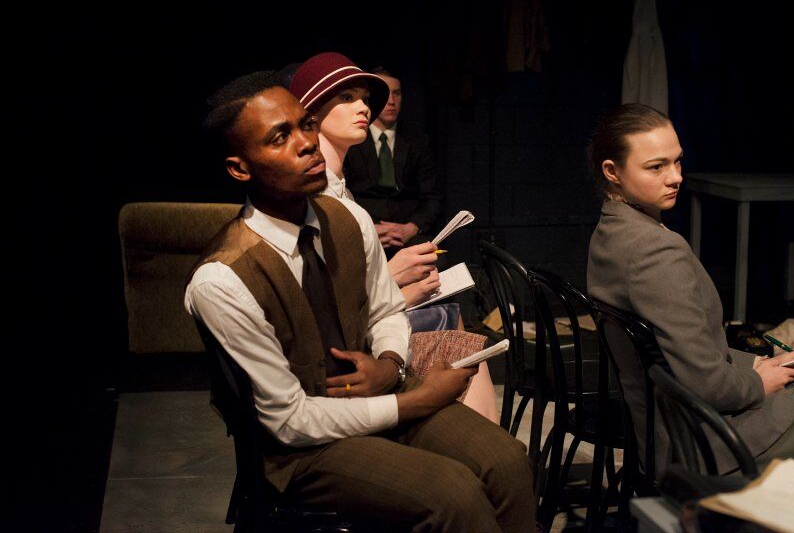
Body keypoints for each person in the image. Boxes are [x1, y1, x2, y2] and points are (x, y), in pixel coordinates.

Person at [185, 71, 535, 531]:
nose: (306, 143)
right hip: (302, 450)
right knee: (454, 494)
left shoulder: (348, 217)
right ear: (240, 168)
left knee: (507, 460)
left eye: (306, 125)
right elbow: (289, 419)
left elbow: (386, 309)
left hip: (380, 391)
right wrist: (415, 401)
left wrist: (390, 363)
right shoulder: (223, 281)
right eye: (280, 137)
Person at [586, 103, 794, 476]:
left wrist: (758, 362)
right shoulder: (653, 251)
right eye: (657, 167)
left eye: (678, 161)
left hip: (671, 427)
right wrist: (759, 381)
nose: (676, 177)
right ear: (612, 171)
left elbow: (683, 351)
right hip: (706, 442)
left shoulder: (612, 229)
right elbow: (707, 384)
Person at [282, 52, 499, 423]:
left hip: (376, 328)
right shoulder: (317, 199)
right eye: (347, 97)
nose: (363, 107)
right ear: (311, 113)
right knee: (455, 338)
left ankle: (481, 441)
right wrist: (394, 280)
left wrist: (397, 278)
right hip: (349, 355)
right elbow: (326, 306)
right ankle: (478, 442)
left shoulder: (340, 190)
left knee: (451, 319)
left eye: (365, 99)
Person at [341, 65, 443, 256]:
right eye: (386, 94)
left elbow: (432, 196)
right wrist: (367, 228)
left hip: (408, 233)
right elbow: (340, 193)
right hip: (364, 230)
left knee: (436, 260)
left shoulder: (418, 141)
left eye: (397, 93)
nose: (391, 101)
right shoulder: (352, 139)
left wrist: (412, 227)